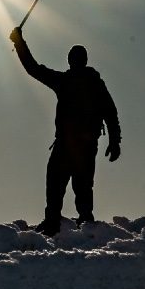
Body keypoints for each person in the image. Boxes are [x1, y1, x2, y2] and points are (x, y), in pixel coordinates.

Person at [10, 27, 120, 236]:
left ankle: (56, 223)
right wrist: (114, 142)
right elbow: (111, 114)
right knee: (81, 187)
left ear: (71, 61)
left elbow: (33, 69)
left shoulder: (66, 82)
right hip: (86, 145)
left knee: (58, 184)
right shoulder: (95, 84)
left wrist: (19, 42)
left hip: (69, 145)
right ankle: (83, 225)